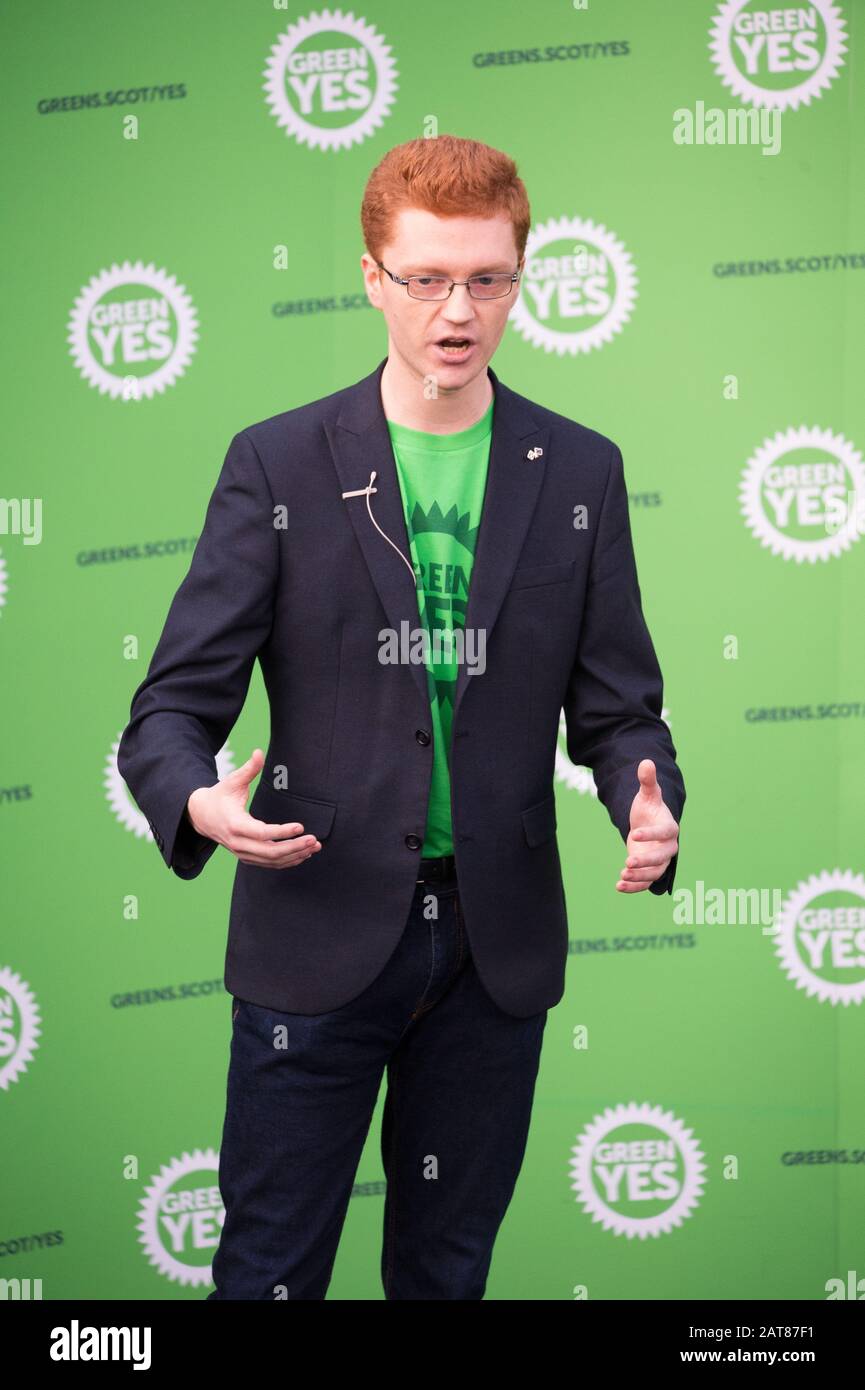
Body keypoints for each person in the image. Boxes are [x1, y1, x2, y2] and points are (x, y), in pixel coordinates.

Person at [117, 134, 685, 1300]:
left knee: (445, 1275)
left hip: (495, 949)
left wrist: (652, 792)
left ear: (520, 279)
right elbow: (173, 703)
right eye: (426, 278)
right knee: (269, 1273)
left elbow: (620, 706)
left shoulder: (578, 471)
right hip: (312, 928)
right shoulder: (276, 465)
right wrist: (193, 795)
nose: (456, 310)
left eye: (486, 278)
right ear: (374, 277)